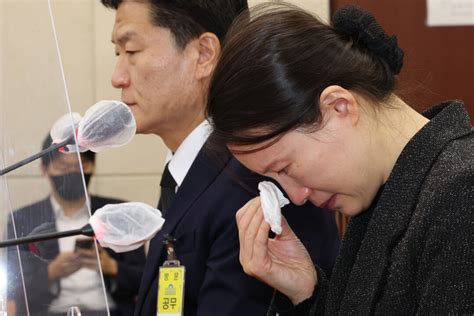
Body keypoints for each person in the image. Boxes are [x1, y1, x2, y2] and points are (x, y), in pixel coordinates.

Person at [206, 3, 474, 315]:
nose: (296, 195)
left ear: (339, 107)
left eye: (285, 168)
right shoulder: (384, 193)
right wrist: (306, 292)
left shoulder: (461, 194)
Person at [100, 0, 340, 315]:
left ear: (204, 54)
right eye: (118, 54)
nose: (117, 77)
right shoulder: (189, 171)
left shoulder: (259, 180)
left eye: (131, 52)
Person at [7, 135, 146, 316]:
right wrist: (51, 272)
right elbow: (12, 285)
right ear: (44, 168)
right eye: (64, 166)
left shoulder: (119, 213)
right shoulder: (22, 219)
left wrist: (111, 267)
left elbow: (146, 278)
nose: (72, 172)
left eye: (80, 166)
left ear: (93, 166)